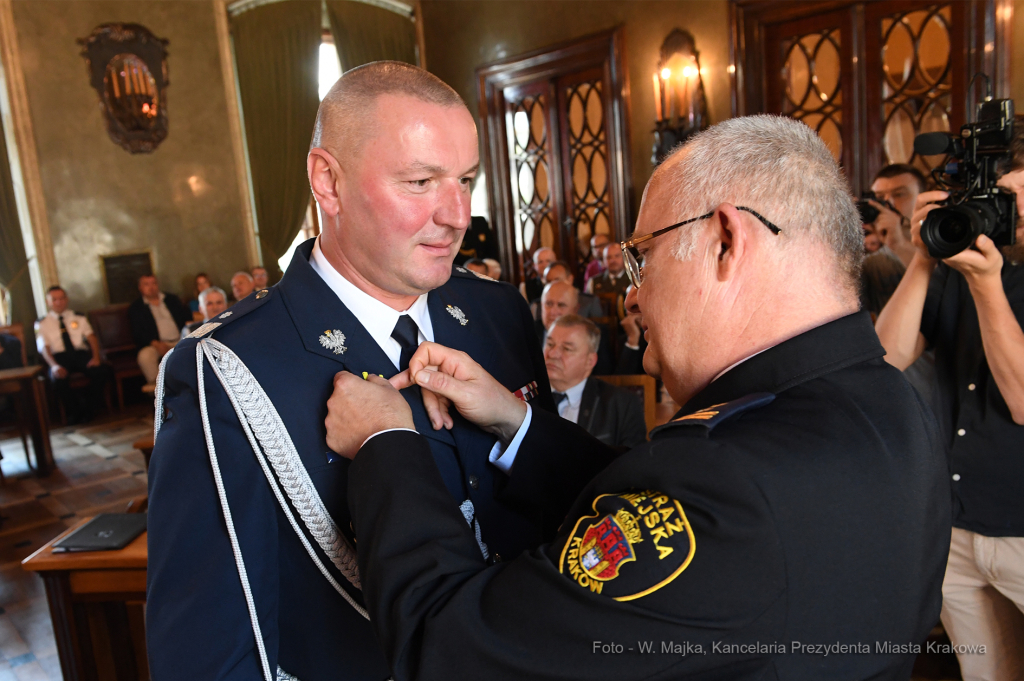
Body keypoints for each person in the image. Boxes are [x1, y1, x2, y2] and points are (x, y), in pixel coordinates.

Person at [324, 115, 950, 680]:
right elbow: (656, 511)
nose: (632, 296)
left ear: (726, 242)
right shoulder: (888, 401)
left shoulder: (730, 483)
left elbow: (450, 645)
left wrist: (386, 445)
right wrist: (516, 421)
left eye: (643, 259)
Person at [146, 61, 555, 681]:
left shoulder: (496, 310)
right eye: (420, 182)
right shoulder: (229, 370)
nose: (456, 215)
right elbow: (211, 647)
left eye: (464, 179)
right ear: (327, 182)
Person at [875, 126, 1024, 680]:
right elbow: (887, 360)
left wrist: (987, 285)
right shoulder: (961, 265)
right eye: (995, 194)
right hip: (958, 529)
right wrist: (924, 256)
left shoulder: (981, 275)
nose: (999, 211)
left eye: (1012, 199)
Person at [544, 314, 646, 449]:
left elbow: (633, 463)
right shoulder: (527, 396)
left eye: (566, 348)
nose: (552, 354)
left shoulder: (622, 404)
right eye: (550, 344)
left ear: (590, 361)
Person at [35, 286, 108, 423]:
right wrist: (54, 366)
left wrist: (96, 357)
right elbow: (44, 348)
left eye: (62, 298)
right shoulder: (42, 323)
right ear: (48, 302)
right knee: (58, 379)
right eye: (54, 299)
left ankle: (88, 408)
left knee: (101, 371)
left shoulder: (78, 316)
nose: (59, 302)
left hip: (79, 354)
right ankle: (74, 412)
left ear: (66, 299)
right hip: (59, 357)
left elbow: (91, 337)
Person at [127, 275, 190, 386]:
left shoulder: (172, 300)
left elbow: (186, 319)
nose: (151, 287)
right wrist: (157, 344)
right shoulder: (136, 307)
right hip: (156, 344)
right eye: (146, 284)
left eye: (154, 283)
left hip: (181, 339)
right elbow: (138, 333)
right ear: (140, 288)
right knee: (145, 356)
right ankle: (159, 390)